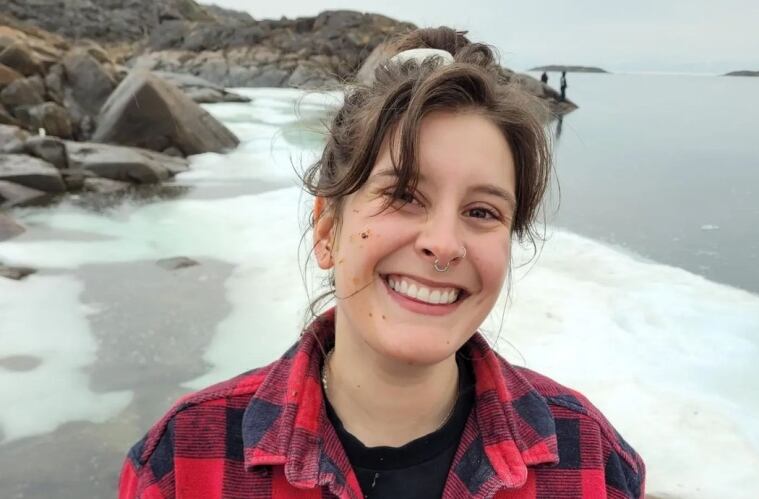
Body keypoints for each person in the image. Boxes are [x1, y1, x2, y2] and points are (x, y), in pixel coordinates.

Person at [118, 27, 645, 499]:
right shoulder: (184, 464)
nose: (444, 244)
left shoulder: (591, 463)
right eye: (404, 196)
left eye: (482, 211)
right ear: (327, 229)